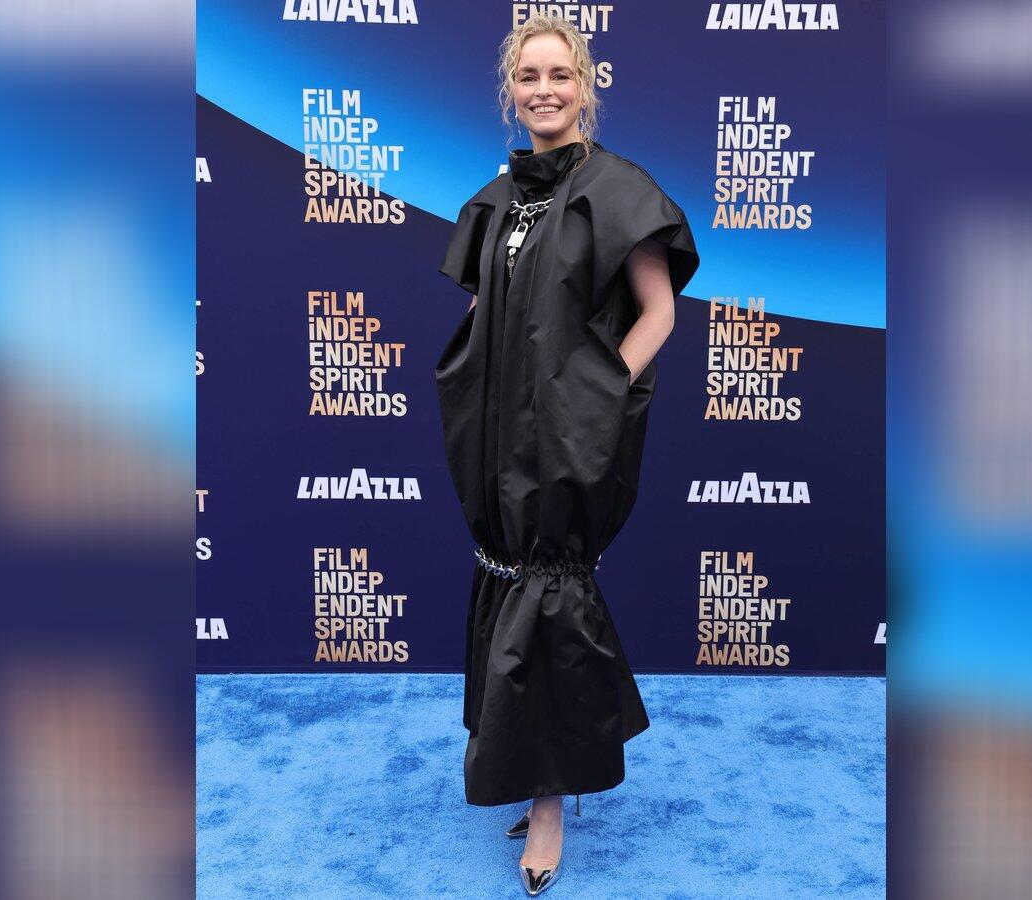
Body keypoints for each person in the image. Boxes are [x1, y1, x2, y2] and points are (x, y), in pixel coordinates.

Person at [432, 14, 701, 897]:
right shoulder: (497, 200)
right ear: (509, 91)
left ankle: (549, 802)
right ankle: (524, 763)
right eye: (528, 76)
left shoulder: (617, 190)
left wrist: (597, 395)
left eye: (560, 74)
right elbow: (491, 306)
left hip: (569, 437)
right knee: (507, 578)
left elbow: (658, 312)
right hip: (497, 433)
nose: (544, 90)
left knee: (548, 590)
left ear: (587, 85)